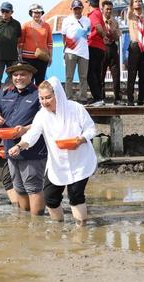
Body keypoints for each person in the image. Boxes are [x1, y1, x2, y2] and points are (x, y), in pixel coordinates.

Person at [8, 77, 97, 224]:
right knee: (50, 197)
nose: (44, 102)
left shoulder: (75, 108)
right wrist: (19, 146)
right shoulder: (42, 114)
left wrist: (80, 140)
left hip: (80, 160)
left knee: (75, 196)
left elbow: (91, 129)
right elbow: (33, 134)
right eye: (41, 98)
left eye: (48, 97)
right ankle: (59, 228)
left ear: (58, 95)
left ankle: (81, 231)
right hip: (57, 162)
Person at [0, 61, 47, 216]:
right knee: (19, 187)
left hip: (33, 149)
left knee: (33, 187)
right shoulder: (6, 93)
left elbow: (45, 121)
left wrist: (25, 129)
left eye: (23, 74)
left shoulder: (38, 94)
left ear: (31, 76)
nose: (18, 77)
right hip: (10, 147)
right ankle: (25, 219)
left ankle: (36, 222)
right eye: (15, 75)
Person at [0, 2, 22, 93]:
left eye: (7, 11)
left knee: (14, 77)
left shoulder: (17, 24)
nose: (4, 13)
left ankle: (12, 94)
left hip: (12, 56)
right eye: (3, 11)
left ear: (11, 12)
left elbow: (18, 39)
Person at [61, 0, 91, 103]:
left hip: (84, 53)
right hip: (71, 52)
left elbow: (87, 36)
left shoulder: (87, 20)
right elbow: (63, 36)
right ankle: (68, 98)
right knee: (69, 77)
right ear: (71, 9)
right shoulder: (66, 20)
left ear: (82, 8)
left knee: (83, 77)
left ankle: (83, 98)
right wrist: (68, 47)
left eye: (79, 8)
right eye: (75, 9)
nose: (77, 11)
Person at [125, 0, 144, 106]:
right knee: (132, 74)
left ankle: (141, 98)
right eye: (136, 1)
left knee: (143, 75)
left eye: (139, 1)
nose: (137, 3)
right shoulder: (131, 16)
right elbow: (129, 3)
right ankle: (130, 99)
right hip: (134, 47)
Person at [19, 3, 52, 85]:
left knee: (40, 80)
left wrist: (50, 57)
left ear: (41, 14)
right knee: (28, 80)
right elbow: (20, 43)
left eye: (39, 13)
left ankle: (39, 97)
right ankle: (28, 97)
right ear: (31, 13)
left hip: (42, 57)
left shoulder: (47, 26)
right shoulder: (25, 26)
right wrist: (19, 55)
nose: (37, 15)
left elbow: (50, 43)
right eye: (35, 12)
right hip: (27, 58)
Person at [85, 0, 107, 107]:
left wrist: (103, 36)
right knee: (97, 73)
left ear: (89, 3)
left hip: (93, 45)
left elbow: (98, 27)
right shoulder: (99, 13)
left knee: (89, 73)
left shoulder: (93, 14)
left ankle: (97, 97)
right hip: (101, 47)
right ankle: (100, 97)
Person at [100, 0, 122, 105]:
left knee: (116, 74)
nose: (109, 11)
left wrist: (113, 31)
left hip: (113, 47)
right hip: (102, 47)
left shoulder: (115, 21)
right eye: (107, 9)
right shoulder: (99, 21)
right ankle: (101, 97)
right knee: (101, 74)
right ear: (102, 9)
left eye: (110, 9)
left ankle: (117, 97)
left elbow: (118, 36)